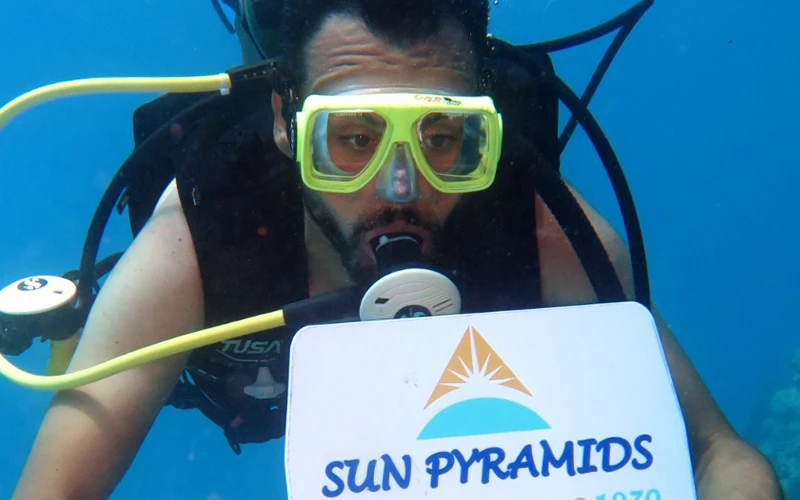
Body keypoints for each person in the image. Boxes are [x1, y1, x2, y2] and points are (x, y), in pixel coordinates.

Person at [11, 0, 784, 498]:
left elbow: (721, 454)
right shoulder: (201, 237)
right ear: (286, 124)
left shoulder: (544, 231)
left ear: (485, 133)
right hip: (246, 384)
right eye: (353, 139)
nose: (401, 187)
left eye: (443, 138)